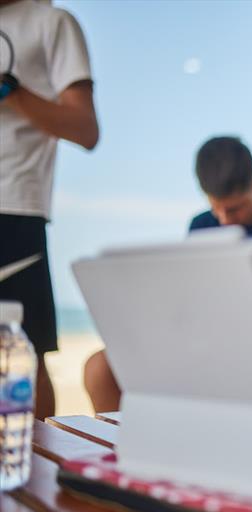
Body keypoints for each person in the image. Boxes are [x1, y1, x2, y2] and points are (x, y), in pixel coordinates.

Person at [83, 136, 252, 412]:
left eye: (234, 209)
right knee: (99, 368)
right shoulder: (201, 224)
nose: (224, 220)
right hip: (207, 344)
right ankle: (119, 449)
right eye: (215, 208)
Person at [0, 0, 99, 419]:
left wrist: (11, 91)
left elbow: (85, 127)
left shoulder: (51, 22)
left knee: (22, 359)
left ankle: (33, 478)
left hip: (13, 205)